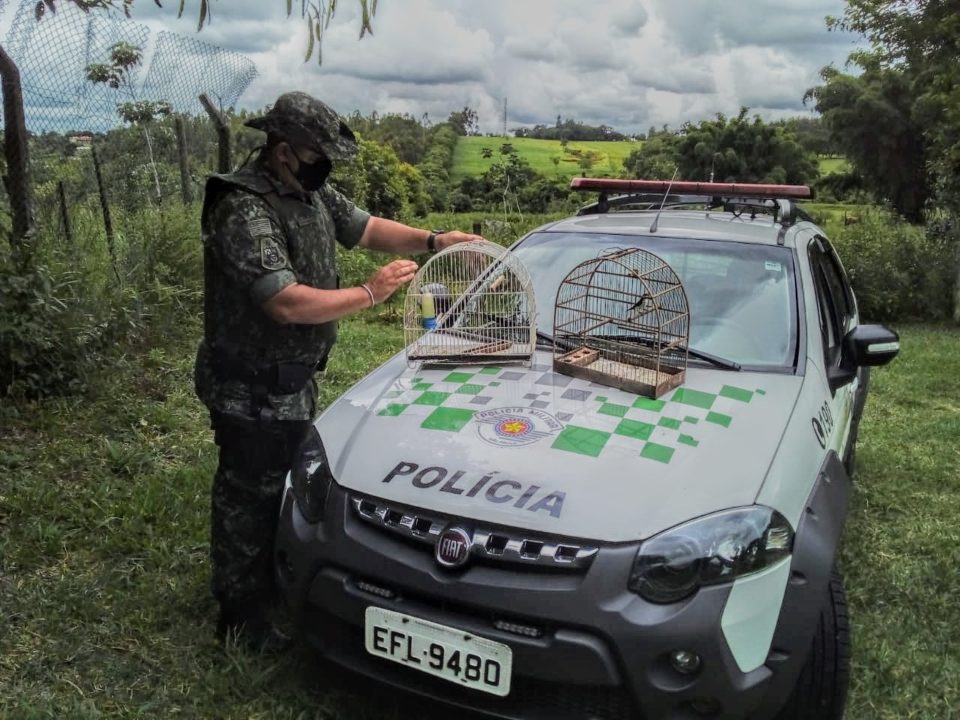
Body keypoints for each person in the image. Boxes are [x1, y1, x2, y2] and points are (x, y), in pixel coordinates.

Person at [193, 91, 481, 651]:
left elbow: (367, 227)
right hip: (248, 382)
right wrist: (369, 293)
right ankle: (238, 617)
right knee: (245, 494)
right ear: (281, 152)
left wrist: (432, 241)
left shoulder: (310, 190)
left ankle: (267, 586)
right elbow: (284, 302)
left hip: (290, 378)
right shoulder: (243, 205)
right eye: (314, 153)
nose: (324, 164)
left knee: (281, 483)